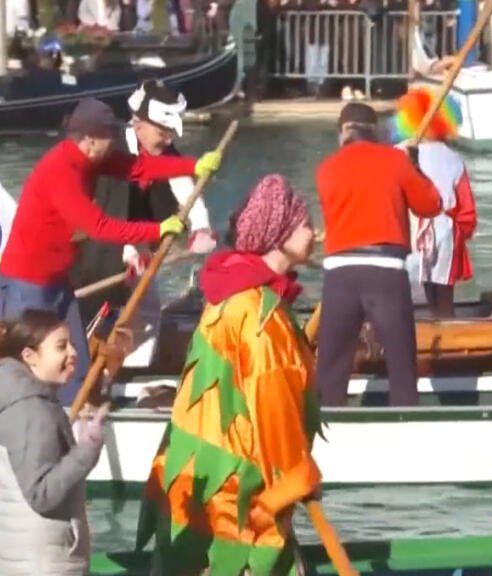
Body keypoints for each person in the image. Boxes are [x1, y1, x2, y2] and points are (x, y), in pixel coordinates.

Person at [135, 174, 323, 576]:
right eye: (305, 223)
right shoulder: (261, 318)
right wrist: (298, 479)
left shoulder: (229, 293)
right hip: (234, 494)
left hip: (192, 478)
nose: (314, 232)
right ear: (278, 235)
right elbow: (274, 410)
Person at [0, 96, 222, 405]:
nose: (116, 142)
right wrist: (156, 230)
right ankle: (28, 418)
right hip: (26, 285)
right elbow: (99, 227)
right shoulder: (60, 171)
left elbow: (140, 167)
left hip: (58, 282)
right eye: (110, 136)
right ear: (90, 140)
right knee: (29, 373)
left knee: (75, 362)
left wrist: (192, 165)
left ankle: (77, 416)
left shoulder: (94, 159)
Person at [315, 103, 442, 407]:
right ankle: (404, 418)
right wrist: (414, 166)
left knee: (331, 366)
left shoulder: (326, 168)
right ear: (377, 132)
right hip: (385, 270)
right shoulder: (395, 161)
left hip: (339, 272)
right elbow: (431, 205)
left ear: (342, 132)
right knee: (401, 362)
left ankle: (326, 423)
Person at [0, 309, 107, 576]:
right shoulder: (32, 412)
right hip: (46, 564)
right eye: (61, 347)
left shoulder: (18, 403)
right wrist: (87, 450)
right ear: (30, 356)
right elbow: (41, 494)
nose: (73, 353)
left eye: (71, 344)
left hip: (26, 559)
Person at [118, 80, 218, 369]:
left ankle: (134, 374)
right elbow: (108, 211)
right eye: (162, 133)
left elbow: (185, 188)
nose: (167, 140)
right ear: (138, 125)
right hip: (103, 249)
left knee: (148, 308)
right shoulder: (115, 150)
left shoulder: (167, 152)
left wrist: (201, 226)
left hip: (141, 245)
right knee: (108, 313)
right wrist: (126, 251)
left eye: (170, 134)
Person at [391, 89, 477, 319]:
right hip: (444, 233)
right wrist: (462, 234)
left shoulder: (396, 153)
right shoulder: (454, 158)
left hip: (407, 230)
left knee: (400, 293)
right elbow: (465, 209)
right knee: (443, 297)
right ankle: (446, 327)